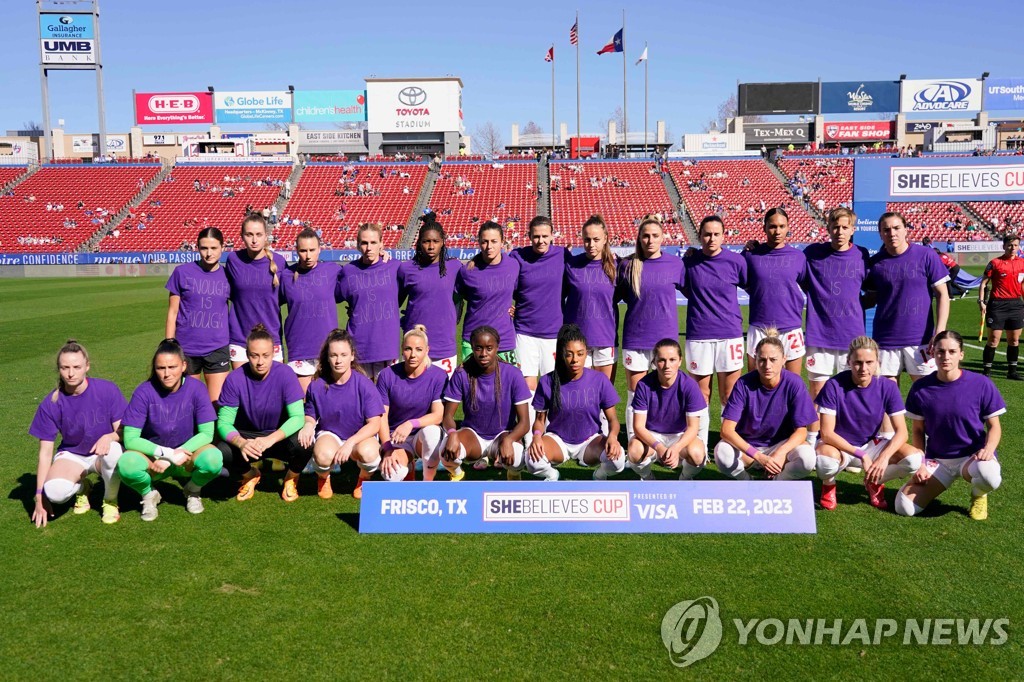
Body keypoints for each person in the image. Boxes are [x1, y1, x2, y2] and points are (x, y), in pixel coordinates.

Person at [897, 331, 1005, 521]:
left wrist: (988, 450)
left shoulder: (981, 384)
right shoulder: (920, 388)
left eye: (952, 352)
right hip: (938, 460)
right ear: (933, 353)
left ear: (961, 354)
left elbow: (994, 426)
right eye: (940, 351)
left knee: (990, 476)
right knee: (904, 507)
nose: (946, 357)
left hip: (972, 458)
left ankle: (979, 493)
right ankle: (936, 482)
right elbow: (918, 430)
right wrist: (921, 464)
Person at [118, 339, 223, 520]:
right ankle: (149, 494)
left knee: (214, 459)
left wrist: (179, 454)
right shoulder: (144, 391)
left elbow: (207, 433)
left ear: (183, 366)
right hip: (155, 459)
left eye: (172, 367)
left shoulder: (197, 388)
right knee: (126, 465)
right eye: (161, 368)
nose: (166, 374)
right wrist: (167, 454)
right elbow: (130, 439)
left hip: (187, 456)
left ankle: (192, 490)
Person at [814, 336, 922, 511]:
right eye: (858, 362)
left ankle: (875, 481)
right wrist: (861, 455)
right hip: (839, 446)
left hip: (871, 444)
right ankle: (829, 484)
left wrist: (883, 457)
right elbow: (826, 433)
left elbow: (902, 432)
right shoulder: (834, 385)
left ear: (877, 362)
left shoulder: (887, 386)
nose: (863, 368)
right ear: (849, 361)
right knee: (824, 462)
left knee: (914, 460)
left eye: (869, 362)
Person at [29, 340, 127, 527]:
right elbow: (45, 453)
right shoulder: (51, 402)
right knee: (55, 492)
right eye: (65, 367)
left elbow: (122, 431)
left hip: (103, 453)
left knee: (114, 451)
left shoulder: (107, 389)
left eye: (76, 366)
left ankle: (110, 501)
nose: (71, 373)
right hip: (73, 455)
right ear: (59, 369)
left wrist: (109, 437)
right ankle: (82, 488)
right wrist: (39, 495)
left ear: (87, 366)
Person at [216, 324, 310, 503]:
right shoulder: (234, 379)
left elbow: (298, 417)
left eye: (265, 356)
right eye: (254, 355)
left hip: (277, 436)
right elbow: (223, 423)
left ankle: (291, 477)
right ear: (246, 354)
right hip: (249, 438)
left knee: (305, 443)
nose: (260, 362)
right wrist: (241, 443)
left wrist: (270, 440)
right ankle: (250, 474)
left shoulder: (285, 373)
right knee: (223, 450)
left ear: (274, 352)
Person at [616, 215, 686, 441]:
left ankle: (666, 438)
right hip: (635, 340)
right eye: (645, 236)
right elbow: (611, 297)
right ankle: (634, 443)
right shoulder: (627, 266)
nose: (650, 240)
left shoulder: (676, 264)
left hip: (665, 343)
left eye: (655, 235)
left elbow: (695, 291)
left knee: (666, 393)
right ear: (639, 238)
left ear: (663, 237)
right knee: (635, 395)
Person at [714, 329, 817, 481]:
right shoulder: (743, 383)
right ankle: (746, 481)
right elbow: (726, 431)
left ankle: (777, 482)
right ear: (755, 360)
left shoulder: (794, 383)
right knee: (721, 453)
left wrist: (780, 453)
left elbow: (801, 432)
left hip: (779, 445)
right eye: (762, 360)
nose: (767, 365)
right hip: (748, 448)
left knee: (807, 458)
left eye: (773, 359)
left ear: (784, 360)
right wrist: (759, 457)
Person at [683, 216, 747, 451]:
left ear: (723, 235)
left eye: (716, 234)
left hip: (729, 334)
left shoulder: (736, 262)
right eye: (707, 234)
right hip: (699, 334)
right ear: (699, 236)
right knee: (701, 394)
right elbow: (685, 289)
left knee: (729, 394)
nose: (711, 238)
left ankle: (727, 441)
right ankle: (700, 440)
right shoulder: (689, 262)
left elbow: (749, 284)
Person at [526, 325, 622, 481]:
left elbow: (613, 420)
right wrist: (537, 436)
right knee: (531, 460)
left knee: (618, 460)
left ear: (586, 354)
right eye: (569, 354)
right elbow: (539, 420)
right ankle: (552, 475)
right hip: (557, 440)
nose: (575, 360)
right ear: (561, 355)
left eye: (580, 354)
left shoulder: (600, 380)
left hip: (590, 441)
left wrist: (612, 436)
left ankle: (599, 475)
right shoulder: (547, 381)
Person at [298, 329, 384, 500]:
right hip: (331, 433)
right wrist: (308, 425)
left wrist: (350, 442)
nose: (338, 360)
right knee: (322, 455)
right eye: (334, 355)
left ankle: (363, 479)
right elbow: (310, 415)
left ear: (352, 356)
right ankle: (324, 478)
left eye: (343, 355)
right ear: (327, 357)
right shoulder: (316, 386)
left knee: (370, 453)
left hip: (359, 436)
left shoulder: (365, 385)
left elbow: (375, 424)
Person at [864, 212, 950, 381]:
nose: (892, 233)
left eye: (896, 228)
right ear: (880, 234)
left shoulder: (926, 255)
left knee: (927, 395)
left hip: (921, 339)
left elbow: (943, 295)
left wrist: (940, 330)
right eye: (886, 230)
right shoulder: (875, 264)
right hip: (885, 339)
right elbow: (870, 299)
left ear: (905, 230)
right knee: (887, 398)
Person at [439, 326, 531, 481]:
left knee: (517, 457)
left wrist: (509, 440)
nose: (483, 354)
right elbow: (447, 415)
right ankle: (457, 474)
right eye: (478, 348)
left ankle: (513, 473)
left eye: (489, 348)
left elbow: (524, 422)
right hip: (473, 435)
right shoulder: (462, 373)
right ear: (472, 348)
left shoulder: (513, 374)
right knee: (446, 453)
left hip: (503, 434)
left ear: (497, 348)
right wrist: (452, 434)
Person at [801, 208, 871, 399]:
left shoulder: (861, 255)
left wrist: (857, 305)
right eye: (835, 227)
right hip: (819, 335)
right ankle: (814, 431)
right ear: (828, 228)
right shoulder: (813, 253)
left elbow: (872, 289)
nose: (840, 232)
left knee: (850, 391)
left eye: (844, 227)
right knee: (817, 392)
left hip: (851, 335)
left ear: (852, 230)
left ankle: (847, 429)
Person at [165, 228, 232, 403]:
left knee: (216, 404)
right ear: (197, 248)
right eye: (204, 248)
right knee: (187, 402)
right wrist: (169, 344)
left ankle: (213, 432)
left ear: (222, 248)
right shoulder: (182, 272)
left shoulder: (229, 275)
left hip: (217, 347)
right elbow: (172, 312)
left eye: (214, 248)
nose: (209, 253)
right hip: (186, 348)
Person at [627, 338, 708, 481]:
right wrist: (658, 447)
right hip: (652, 436)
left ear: (680, 361)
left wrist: (676, 448)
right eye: (662, 360)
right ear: (654, 362)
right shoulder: (644, 385)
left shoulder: (690, 386)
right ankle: (647, 478)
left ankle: (684, 478)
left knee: (697, 454)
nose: (667, 365)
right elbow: (638, 426)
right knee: (634, 450)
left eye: (672, 360)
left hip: (679, 436)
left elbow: (693, 428)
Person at [510, 217, 567, 422]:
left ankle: (550, 430)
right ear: (529, 236)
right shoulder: (517, 256)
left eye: (545, 236)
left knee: (552, 383)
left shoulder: (562, 255)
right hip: (524, 331)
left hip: (553, 333)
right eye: (536, 236)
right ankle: (528, 432)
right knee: (528, 385)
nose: (541, 240)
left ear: (552, 235)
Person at [375, 326, 448, 483]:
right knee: (391, 475)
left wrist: (411, 423)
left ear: (427, 350)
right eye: (408, 349)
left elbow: (438, 415)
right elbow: (382, 417)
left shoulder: (438, 376)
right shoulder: (387, 375)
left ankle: (427, 483)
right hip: (396, 438)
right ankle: (408, 465)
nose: (413, 355)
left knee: (433, 434)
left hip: (421, 436)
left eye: (419, 349)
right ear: (402, 349)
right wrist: (387, 448)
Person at [398, 216, 463, 378]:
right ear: (419, 242)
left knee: (444, 398)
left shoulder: (455, 267)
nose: (431, 246)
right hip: (415, 344)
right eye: (427, 241)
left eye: (436, 241)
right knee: (413, 397)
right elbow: (394, 302)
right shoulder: (406, 269)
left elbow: (466, 297)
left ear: (443, 242)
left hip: (444, 344)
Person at [744, 209, 806, 374]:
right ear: (764, 228)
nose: (777, 231)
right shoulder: (751, 256)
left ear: (787, 227)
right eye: (772, 226)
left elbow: (808, 286)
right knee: (755, 384)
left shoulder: (798, 257)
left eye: (781, 226)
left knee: (792, 385)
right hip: (759, 326)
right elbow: (742, 281)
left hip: (790, 326)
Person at [336, 223, 401, 380]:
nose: (369, 247)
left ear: (381, 244)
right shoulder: (348, 271)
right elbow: (334, 295)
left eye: (373, 242)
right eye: (364, 243)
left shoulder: (394, 267)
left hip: (386, 348)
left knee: (386, 402)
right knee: (360, 401)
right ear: (358, 245)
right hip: (359, 348)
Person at [279, 229, 342, 391]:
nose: (308, 256)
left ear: (319, 249)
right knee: (306, 406)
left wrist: (383, 256)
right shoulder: (286, 276)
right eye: (303, 251)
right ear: (296, 251)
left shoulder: (332, 271)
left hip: (329, 349)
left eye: (312, 250)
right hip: (300, 350)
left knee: (329, 404)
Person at [225, 214, 287, 369]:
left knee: (273, 391)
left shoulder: (279, 262)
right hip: (240, 338)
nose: (254, 240)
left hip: (271, 336)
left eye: (259, 234)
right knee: (244, 390)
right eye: (249, 234)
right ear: (242, 236)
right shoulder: (233, 260)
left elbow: (285, 296)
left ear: (266, 236)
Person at [563, 215, 619, 381]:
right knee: (578, 396)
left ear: (605, 239)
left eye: (596, 239)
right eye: (587, 239)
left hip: (605, 338)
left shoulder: (617, 266)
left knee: (604, 396)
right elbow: (553, 296)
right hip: (576, 341)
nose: (591, 244)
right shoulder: (571, 266)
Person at [455, 222, 520, 363]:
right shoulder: (467, 271)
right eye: (484, 241)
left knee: (507, 384)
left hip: (504, 340)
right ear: (478, 242)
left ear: (502, 242)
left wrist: (518, 309)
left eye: (494, 241)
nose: (489, 246)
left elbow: (521, 293)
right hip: (473, 340)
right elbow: (457, 298)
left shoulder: (513, 266)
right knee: (472, 385)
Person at [979, 234, 1024, 380]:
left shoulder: (1022, 263)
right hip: (997, 305)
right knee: (993, 339)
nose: (1013, 248)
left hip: (1016, 304)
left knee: (1014, 340)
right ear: (1004, 246)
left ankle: (1012, 372)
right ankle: (986, 371)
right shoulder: (995, 263)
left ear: (1019, 246)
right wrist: (981, 301)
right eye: (1010, 245)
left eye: (1016, 245)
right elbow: (984, 283)